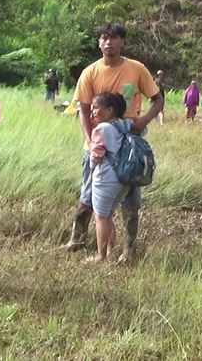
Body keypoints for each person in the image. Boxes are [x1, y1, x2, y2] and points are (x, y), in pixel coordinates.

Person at [62, 23, 163, 264]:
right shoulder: (90, 72)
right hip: (98, 143)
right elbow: (84, 111)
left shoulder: (136, 69)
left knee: (130, 196)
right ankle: (78, 239)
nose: (109, 42)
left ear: (122, 42)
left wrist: (143, 121)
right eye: (104, 38)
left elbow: (157, 99)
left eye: (114, 38)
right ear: (99, 43)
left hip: (129, 143)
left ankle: (129, 250)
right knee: (89, 194)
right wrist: (89, 141)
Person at [87, 92, 134, 262]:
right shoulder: (126, 124)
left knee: (100, 216)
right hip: (124, 178)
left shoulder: (101, 129)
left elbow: (97, 154)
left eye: (96, 108)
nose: (92, 111)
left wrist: (91, 171)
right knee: (108, 215)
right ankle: (110, 253)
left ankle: (101, 257)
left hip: (106, 177)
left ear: (109, 110)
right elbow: (143, 129)